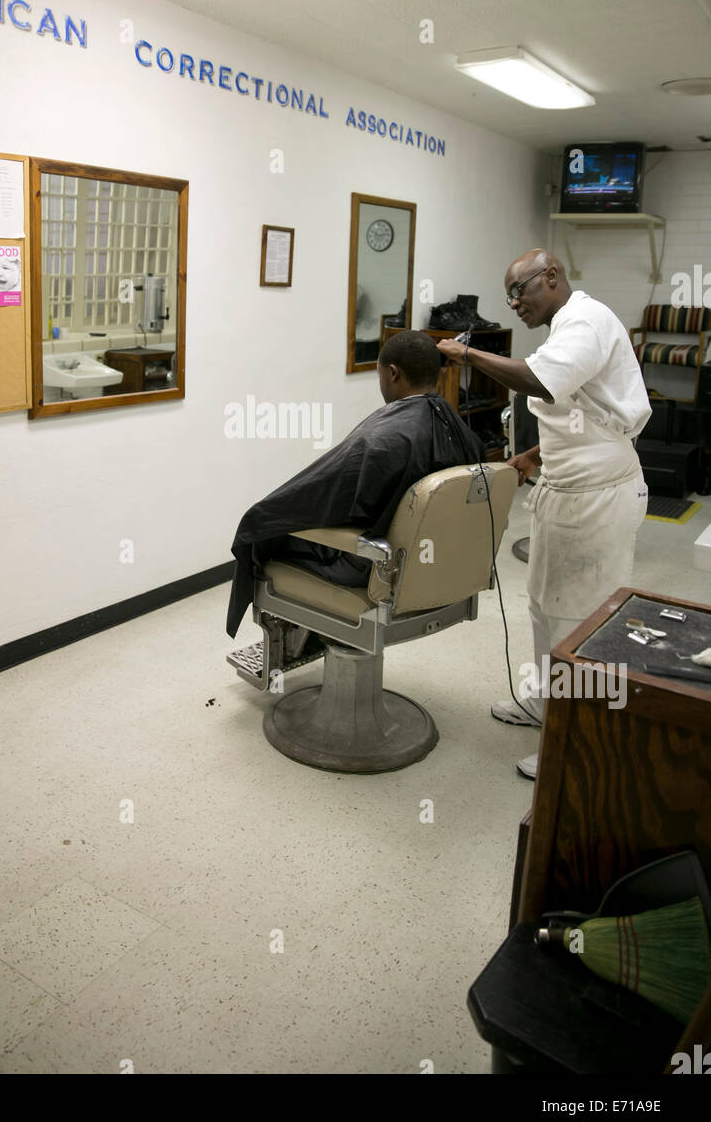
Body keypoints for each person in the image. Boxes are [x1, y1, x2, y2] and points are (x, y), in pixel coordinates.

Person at [438, 250, 650, 780]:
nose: (513, 304)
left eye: (519, 291)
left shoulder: (587, 320)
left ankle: (575, 739)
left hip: (598, 495)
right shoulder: (562, 329)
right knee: (542, 605)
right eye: (508, 295)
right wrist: (535, 457)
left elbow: (540, 382)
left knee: (579, 619)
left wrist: (468, 358)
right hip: (564, 487)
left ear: (551, 276)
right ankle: (544, 703)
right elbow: (580, 413)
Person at [226, 330, 483, 638]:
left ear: (392, 373)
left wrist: (262, 518)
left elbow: (328, 500)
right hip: (437, 567)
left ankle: (307, 632)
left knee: (265, 532)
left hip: (371, 567)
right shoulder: (464, 433)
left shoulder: (383, 441)